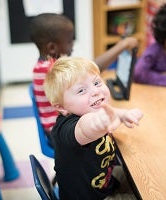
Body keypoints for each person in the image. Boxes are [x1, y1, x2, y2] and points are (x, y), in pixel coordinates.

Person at [44, 56, 143, 200]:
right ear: (61, 107)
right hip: (93, 197)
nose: (95, 91)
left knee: (143, 174)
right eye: (81, 91)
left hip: (105, 181)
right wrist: (100, 123)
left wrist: (122, 114)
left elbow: (105, 115)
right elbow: (85, 127)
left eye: (97, 82)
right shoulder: (67, 129)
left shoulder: (89, 111)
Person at [30, 13, 139, 143]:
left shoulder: (48, 64)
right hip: (60, 134)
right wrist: (122, 45)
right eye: (70, 40)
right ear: (52, 47)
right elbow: (93, 68)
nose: (73, 45)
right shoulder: (48, 70)